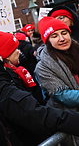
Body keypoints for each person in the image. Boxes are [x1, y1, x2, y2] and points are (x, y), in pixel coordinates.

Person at [0, 29, 79, 145]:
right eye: (15, 49)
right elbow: (36, 115)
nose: (19, 51)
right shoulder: (1, 86)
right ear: (6, 56)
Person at [35, 17, 79, 145]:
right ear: (47, 40)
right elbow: (62, 95)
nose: (61, 38)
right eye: (54, 35)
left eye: (64, 33)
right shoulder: (43, 67)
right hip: (71, 118)